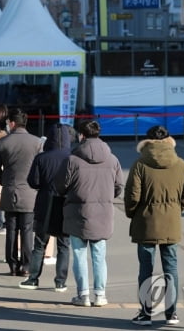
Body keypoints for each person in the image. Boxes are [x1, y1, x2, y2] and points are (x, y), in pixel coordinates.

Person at [124, 125, 184, 326]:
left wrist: (132, 213)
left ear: (147, 142)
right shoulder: (180, 164)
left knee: (146, 268)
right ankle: (172, 313)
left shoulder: (140, 164)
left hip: (145, 221)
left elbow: (132, 195)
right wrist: (177, 208)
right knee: (171, 267)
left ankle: (145, 313)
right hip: (171, 220)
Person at [55, 120, 123, 308]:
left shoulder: (72, 159)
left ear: (81, 135)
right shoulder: (112, 159)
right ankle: (100, 295)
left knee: (79, 254)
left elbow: (61, 186)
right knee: (99, 255)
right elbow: (118, 187)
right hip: (103, 212)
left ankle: (83, 294)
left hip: (77, 211)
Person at [19, 123, 72, 293]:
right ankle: (60, 282)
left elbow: (33, 181)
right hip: (65, 203)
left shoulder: (41, 158)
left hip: (45, 202)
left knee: (40, 243)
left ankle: (33, 278)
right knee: (64, 244)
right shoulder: (72, 157)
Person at [0, 108, 43, 276]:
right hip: (30, 192)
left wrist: (4, 182)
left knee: (11, 229)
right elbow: (41, 168)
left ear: (12, 123)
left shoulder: (3, 142)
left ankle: (13, 265)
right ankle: (27, 266)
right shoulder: (37, 142)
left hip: (10, 190)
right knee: (27, 230)